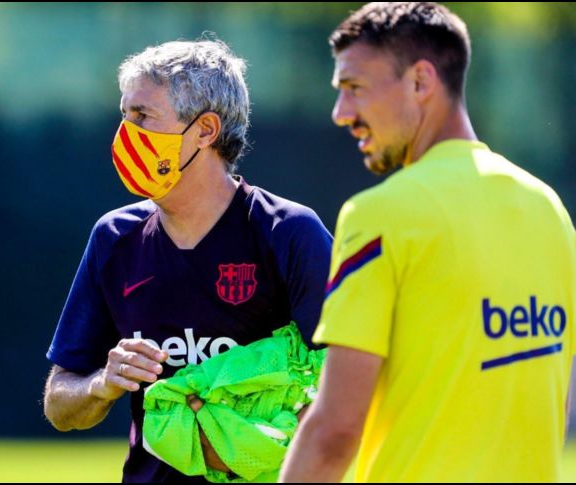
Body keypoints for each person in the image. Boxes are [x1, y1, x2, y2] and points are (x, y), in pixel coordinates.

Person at [279, 2, 576, 483]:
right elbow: (554, 406)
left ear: (420, 81)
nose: (341, 114)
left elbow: (335, 431)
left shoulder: (379, 216)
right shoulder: (550, 211)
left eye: (355, 88)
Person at [43, 38, 334, 483]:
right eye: (124, 115)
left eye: (142, 116)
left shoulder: (287, 231)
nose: (125, 134)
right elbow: (60, 406)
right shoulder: (114, 237)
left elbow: (350, 382)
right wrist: (103, 383)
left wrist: (254, 452)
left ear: (205, 130)